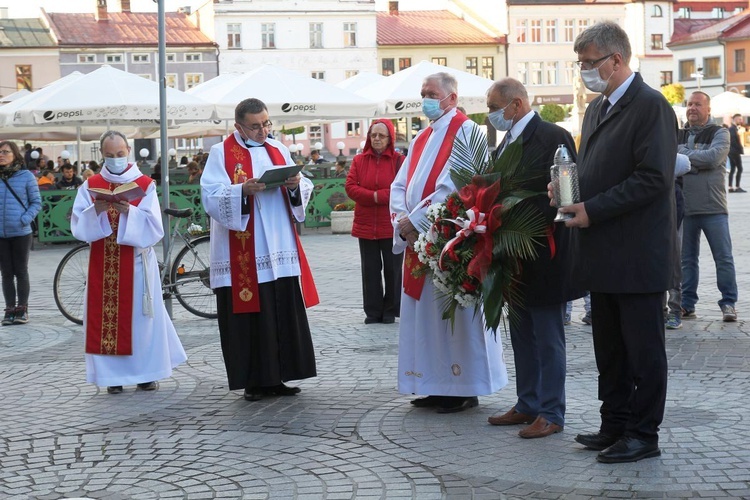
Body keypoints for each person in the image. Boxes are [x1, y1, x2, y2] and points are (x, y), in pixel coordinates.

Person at [556, 22, 677, 463]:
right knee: (609, 347)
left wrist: (594, 209)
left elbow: (653, 179)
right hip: (601, 250)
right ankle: (615, 423)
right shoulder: (596, 108)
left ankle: (644, 434)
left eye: (590, 62)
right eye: (581, 63)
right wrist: (569, 192)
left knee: (643, 350)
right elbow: (593, 169)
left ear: (617, 59)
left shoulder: (651, 106)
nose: (585, 70)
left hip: (638, 252)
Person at [390, 72, 507, 414]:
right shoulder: (422, 136)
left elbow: (455, 188)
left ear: (452, 98)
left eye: (432, 93)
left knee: (451, 318)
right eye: (423, 93)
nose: (425, 99)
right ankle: (433, 383)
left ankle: (462, 387)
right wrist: (403, 220)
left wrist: (418, 220)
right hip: (419, 240)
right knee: (426, 319)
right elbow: (401, 183)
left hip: (449, 240)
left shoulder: (466, 131)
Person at [201, 97, 319, 402]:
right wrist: (242, 190)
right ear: (238, 125)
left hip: (278, 245)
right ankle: (254, 380)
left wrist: (294, 184)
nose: (262, 130)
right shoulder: (221, 153)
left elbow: (303, 187)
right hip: (242, 251)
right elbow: (210, 196)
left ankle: (279, 376)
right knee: (252, 315)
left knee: (279, 308)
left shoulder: (278, 149)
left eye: (266, 123)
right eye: (255, 126)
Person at [484, 78, 579, 438]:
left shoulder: (553, 136)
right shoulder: (504, 139)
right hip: (513, 255)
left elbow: (565, 194)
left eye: (496, 107)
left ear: (517, 104)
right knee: (522, 333)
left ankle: (552, 412)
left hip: (544, 251)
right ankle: (528, 404)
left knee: (548, 336)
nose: (493, 114)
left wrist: (515, 215)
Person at [71, 130, 187, 395]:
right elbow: (78, 225)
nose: (115, 159)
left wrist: (130, 213)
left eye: (120, 154)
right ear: (102, 154)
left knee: (141, 321)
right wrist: (95, 211)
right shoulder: (90, 186)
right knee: (107, 320)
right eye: (110, 155)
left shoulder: (144, 184)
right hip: (103, 263)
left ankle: (146, 374)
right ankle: (112, 377)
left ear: (128, 152)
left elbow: (155, 228)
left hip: (136, 264)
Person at [677, 91, 738, 322]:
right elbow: (672, 158)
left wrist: (685, 158)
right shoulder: (678, 133)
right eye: (690, 104)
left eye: (698, 104)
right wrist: (697, 159)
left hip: (714, 208)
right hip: (685, 208)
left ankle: (729, 303)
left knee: (723, 258)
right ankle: (687, 304)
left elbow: (714, 158)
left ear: (708, 109)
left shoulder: (720, 132)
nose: (692, 108)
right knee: (687, 260)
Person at [345, 119, 405, 325]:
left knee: (393, 269)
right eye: (373, 135)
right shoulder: (359, 160)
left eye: (381, 135)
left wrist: (378, 196)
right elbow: (350, 187)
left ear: (390, 139)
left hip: (391, 225)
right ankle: (372, 311)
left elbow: (402, 188)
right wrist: (375, 197)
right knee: (369, 270)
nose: (377, 139)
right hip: (365, 224)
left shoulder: (399, 161)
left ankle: (390, 310)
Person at [0, 141, 41, 325]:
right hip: (1, 233)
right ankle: (9, 310)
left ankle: (22, 309)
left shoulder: (26, 176)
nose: (1, 155)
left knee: (21, 271)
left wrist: (24, 218)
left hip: (21, 232)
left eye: (5, 152)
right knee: (6, 273)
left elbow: (36, 203)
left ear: (15, 155)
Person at [665, 153, 692, 330]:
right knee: (656, 268)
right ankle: (660, 311)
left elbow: (685, 163)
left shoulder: (675, 158)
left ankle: (674, 310)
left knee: (673, 266)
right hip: (651, 225)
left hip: (673, 222)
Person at [728, 113, 745, 193]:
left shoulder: (734, 128)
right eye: (740, 119)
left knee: (733, 169)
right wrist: (740, 149)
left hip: (733, 152)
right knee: (739, 169)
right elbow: (733, 142)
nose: (741, 121)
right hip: (734, 152)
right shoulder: (732, 129)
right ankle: (737, 187)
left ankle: (731, 187)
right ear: (735, 119)